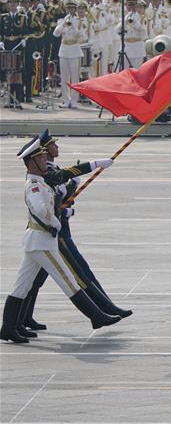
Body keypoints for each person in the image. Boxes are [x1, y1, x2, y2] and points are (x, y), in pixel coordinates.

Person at [0, 138, 120, 344]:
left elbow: (60, 181)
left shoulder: (42, 181)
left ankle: (8, 328)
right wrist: (55, 221)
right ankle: (97, 317)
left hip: (37, 242)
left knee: (22, 286)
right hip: (42, 242)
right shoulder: (34, 186)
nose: (45, 159)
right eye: (40, 157)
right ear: (31, 162)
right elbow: (40, 209)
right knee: (67, 280)